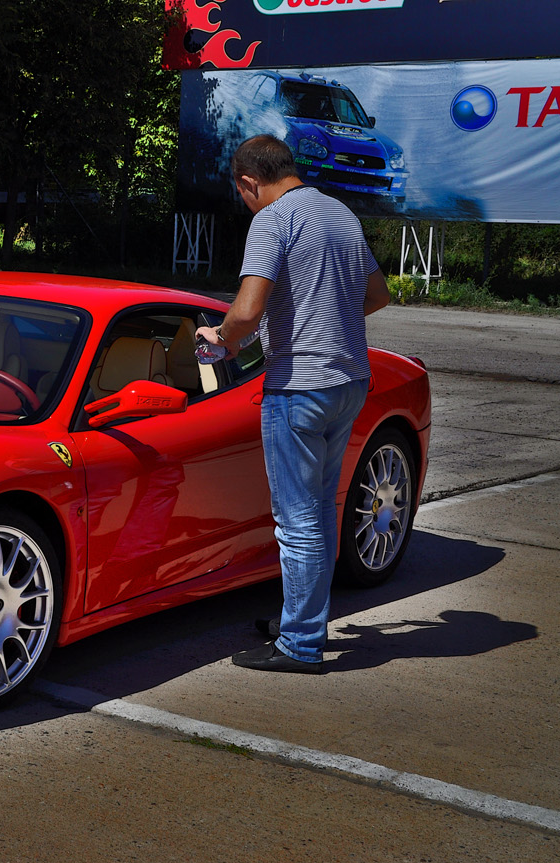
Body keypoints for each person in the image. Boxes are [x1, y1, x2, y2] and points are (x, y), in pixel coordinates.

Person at [195, 135, 390, 674]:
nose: (245, 203)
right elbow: (377, 294)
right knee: (320, 509)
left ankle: (300, 643)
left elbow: (247, 311)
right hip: (349, 381)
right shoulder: (340, 214)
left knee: (297, 521)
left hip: (299, 387)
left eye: (242, 194)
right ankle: (302, 619)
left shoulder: (272, 221)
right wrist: (326, 315)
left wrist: (221, 338)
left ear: (249, 182)